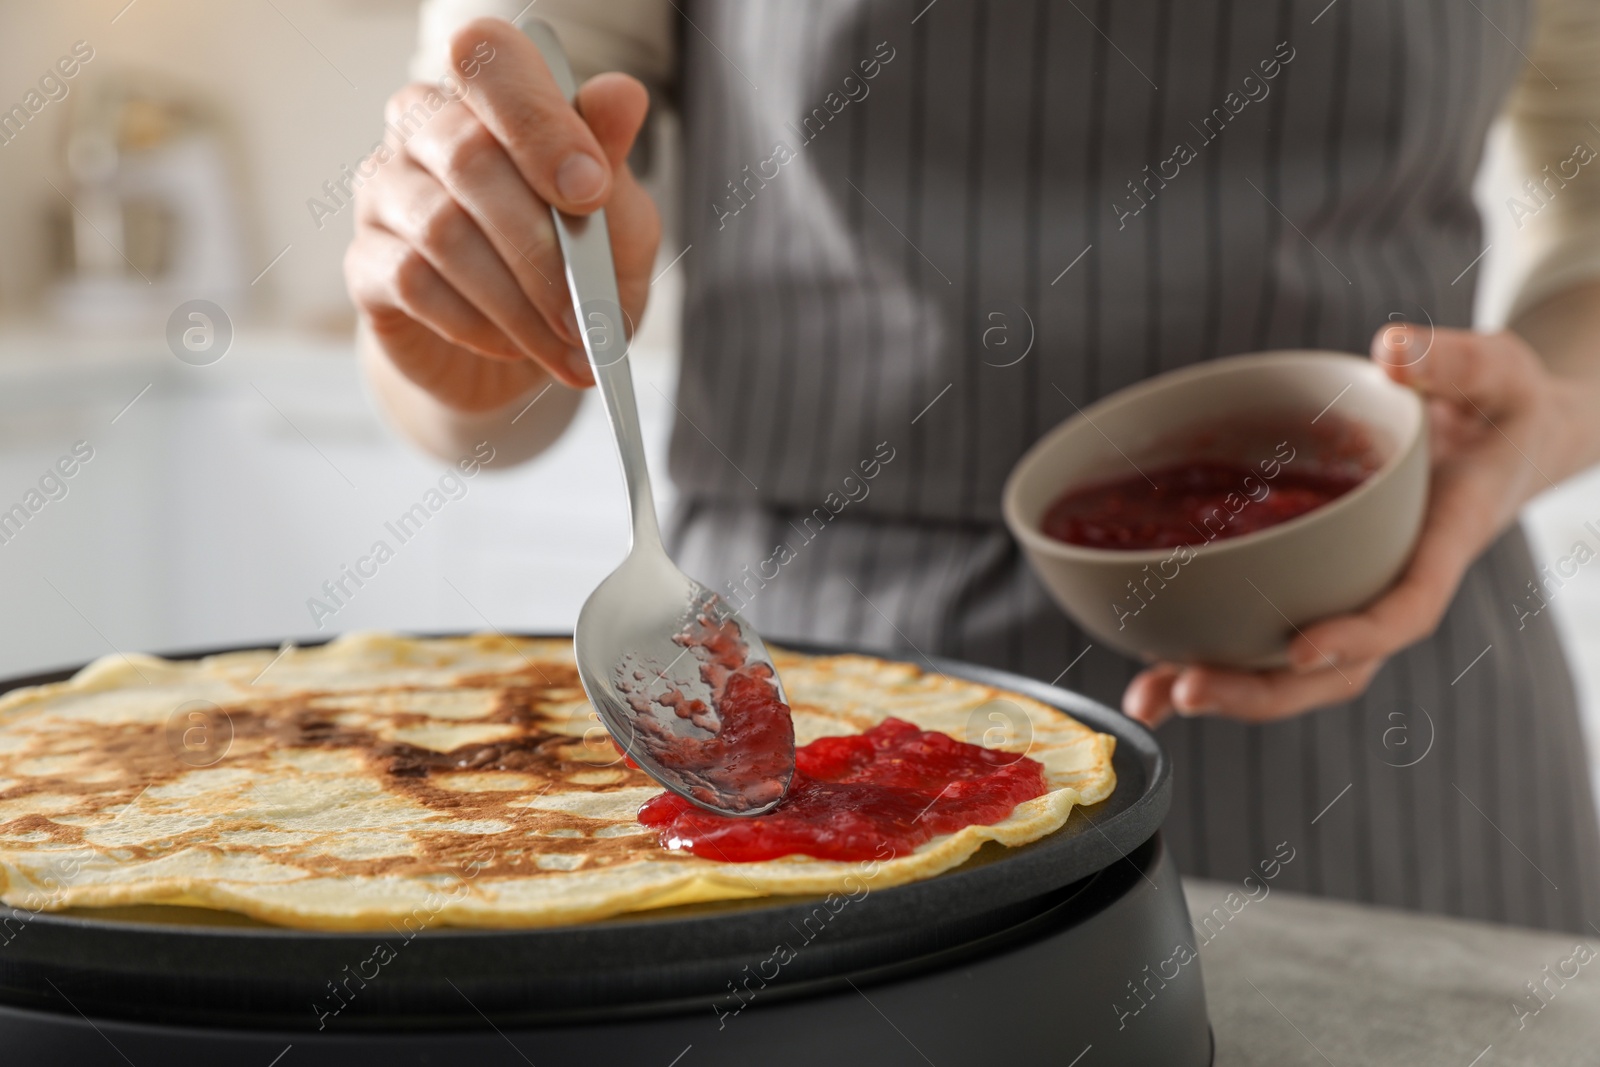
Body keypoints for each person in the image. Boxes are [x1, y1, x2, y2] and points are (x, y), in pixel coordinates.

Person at [346, 0, 1600, 933]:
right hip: (810, 701)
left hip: (1379, 690)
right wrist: (474, 322)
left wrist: (1538, 417)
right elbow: (503, 190)